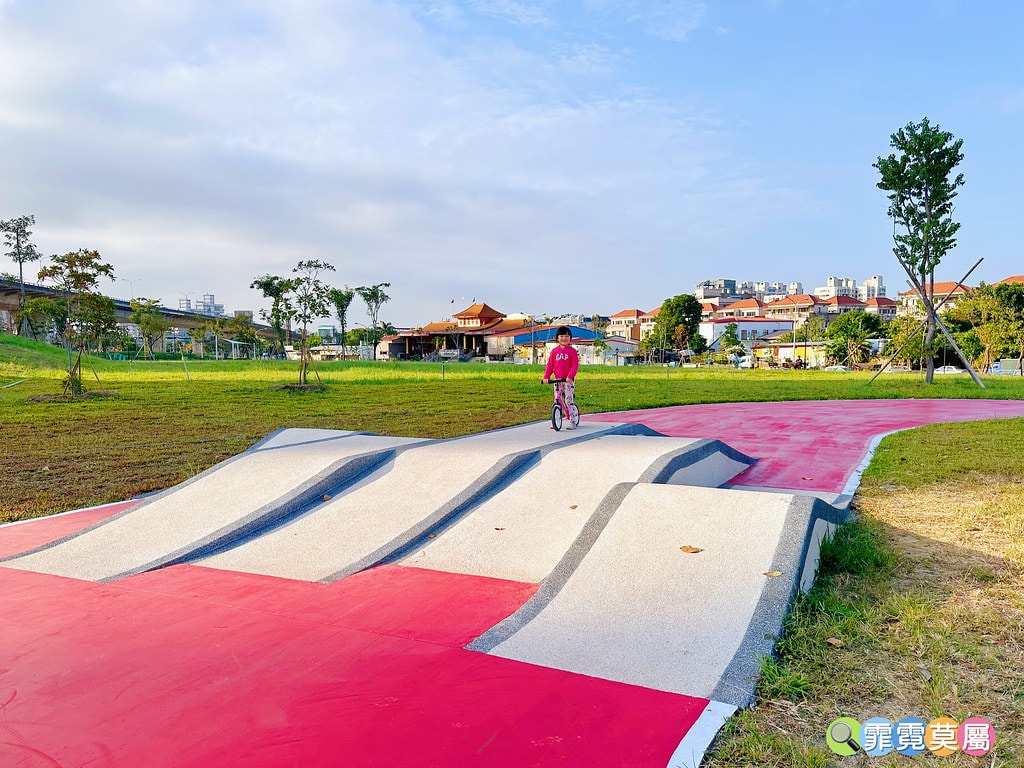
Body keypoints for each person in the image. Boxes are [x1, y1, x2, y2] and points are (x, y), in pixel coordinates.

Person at [543, 326, 580, 429]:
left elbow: (575, 365)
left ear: (570, 338)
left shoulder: (572, 351)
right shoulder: (554, 352)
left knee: (568, 400)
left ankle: (573, 420)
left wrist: (570, 376)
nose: (564, 338)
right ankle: (556, 420)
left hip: (568, 381)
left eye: (567, 336)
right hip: (557, 380)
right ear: (557, 338)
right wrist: (546, 377)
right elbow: (550, 365)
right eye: (562, 336)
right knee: (557, 399)